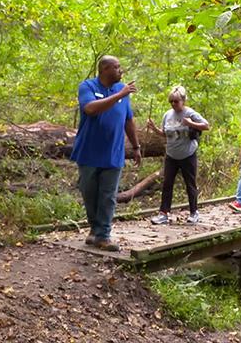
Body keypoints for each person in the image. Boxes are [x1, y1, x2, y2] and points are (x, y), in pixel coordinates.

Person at [70, 56, 142, 252]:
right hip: (89, 152)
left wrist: (136, 147)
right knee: (89, 193)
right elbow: (90, 109)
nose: (121, 70)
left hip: (113, 152)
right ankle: (94, 229)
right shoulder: (87, 86)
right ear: (104, 69)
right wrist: (119, 95)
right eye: (116, 67)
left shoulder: (122, 91)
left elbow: (128, 120)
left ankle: (103, 235)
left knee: (108, 195)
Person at [147, 86, 210, 225]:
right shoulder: (167, 115)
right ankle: (164, 213)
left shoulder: (190, 113)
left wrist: (190, 123)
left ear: (183, 100)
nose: (173, 104)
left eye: (176, 101)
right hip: (171, 155)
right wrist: (154, 129)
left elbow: (206, 126)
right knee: (167, 183)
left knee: (190, 184)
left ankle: (194, 212)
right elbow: (165, 134)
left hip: (188, 154)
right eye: (171, 101)